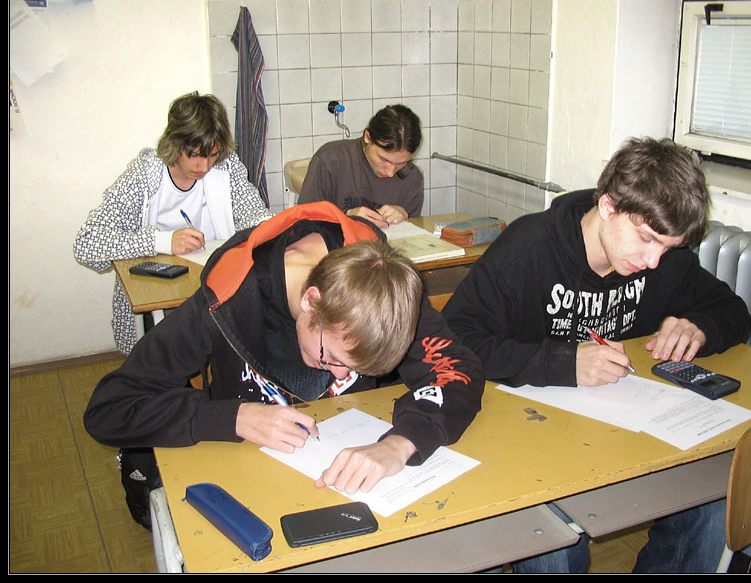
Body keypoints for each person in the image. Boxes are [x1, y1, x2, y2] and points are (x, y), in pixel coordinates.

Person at [443, 137, 751, 573]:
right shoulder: (528, 249)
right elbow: (454, 341)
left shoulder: (663, 258)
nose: (653, 261)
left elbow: (732, 310)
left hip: (625, 431)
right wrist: (563, 362)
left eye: (667, 248)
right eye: (646, 240)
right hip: (531, 437)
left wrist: (699, 326)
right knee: (556, 543)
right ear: (608, 206)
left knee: (713, 503)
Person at [84, 201, 484, 499]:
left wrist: (401, 443)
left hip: (341, 485)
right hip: (245, 481)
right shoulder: (226, 301)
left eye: (355, 368)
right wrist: (233, 417)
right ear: (311, 302)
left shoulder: (379, 291)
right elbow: (109, 408)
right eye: (334, 358)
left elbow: (458, 369)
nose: (341, 376)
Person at [74, 91, 272, 355]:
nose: (204, 166)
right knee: (169, 350)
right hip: (158, 298)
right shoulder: (144, 175)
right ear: (175, 144)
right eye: (195, 155)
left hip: (212, 288)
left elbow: (256, 216)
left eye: (212, 155)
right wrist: (163, 241)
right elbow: (86, 244)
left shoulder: (225, 168)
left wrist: (269, 229)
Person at [298, 104, 424, 228]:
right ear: (367, 137)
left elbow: (413, 235)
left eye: (401, 163)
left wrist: (404, 215)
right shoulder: (330, 161)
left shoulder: (412, 178)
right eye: (384, 159)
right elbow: (303, 223)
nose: (390, 172)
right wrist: (345, 217)